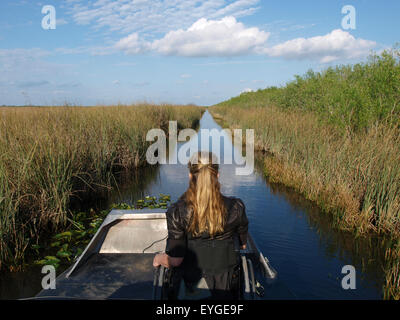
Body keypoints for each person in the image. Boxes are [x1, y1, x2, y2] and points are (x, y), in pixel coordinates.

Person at [153, 151, 249, 299]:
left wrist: (159, 258)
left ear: (190, 176)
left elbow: (176, 260)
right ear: (217, 175)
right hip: (227, 288)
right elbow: (243, 245)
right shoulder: (237, 207)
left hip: (190, 287)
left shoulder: (177, 212)